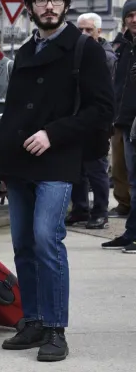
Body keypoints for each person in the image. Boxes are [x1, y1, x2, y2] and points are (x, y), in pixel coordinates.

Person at [0, 0, 114, 361]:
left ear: (66, 5)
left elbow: (102, 109)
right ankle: (33, 321)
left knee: (46, 239)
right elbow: (13, 112)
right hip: (19, 161)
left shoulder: (84, 48)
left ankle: (56, 329)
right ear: (30, 7)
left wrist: (53, 133)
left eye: (56, 0)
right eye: (42, 0)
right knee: (23, 245)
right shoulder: (26, 50)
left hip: (58, 159)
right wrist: (0, 166)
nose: (49, 6)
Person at [70, 13, 115, 228]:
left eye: (89, 30)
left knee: (96, 169)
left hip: (98, 120)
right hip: (78, 117)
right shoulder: (76, 51)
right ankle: (80, 210)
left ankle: (100, 212)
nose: (84, 33)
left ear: (99, 31)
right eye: (80, 29)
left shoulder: (106, 56)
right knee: (77, 168)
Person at [107, 0, 136, 247]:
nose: (134, 19)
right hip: (124, 121)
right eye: (130, 15)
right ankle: (131, 232)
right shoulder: (124, 45)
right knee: (128, 177)